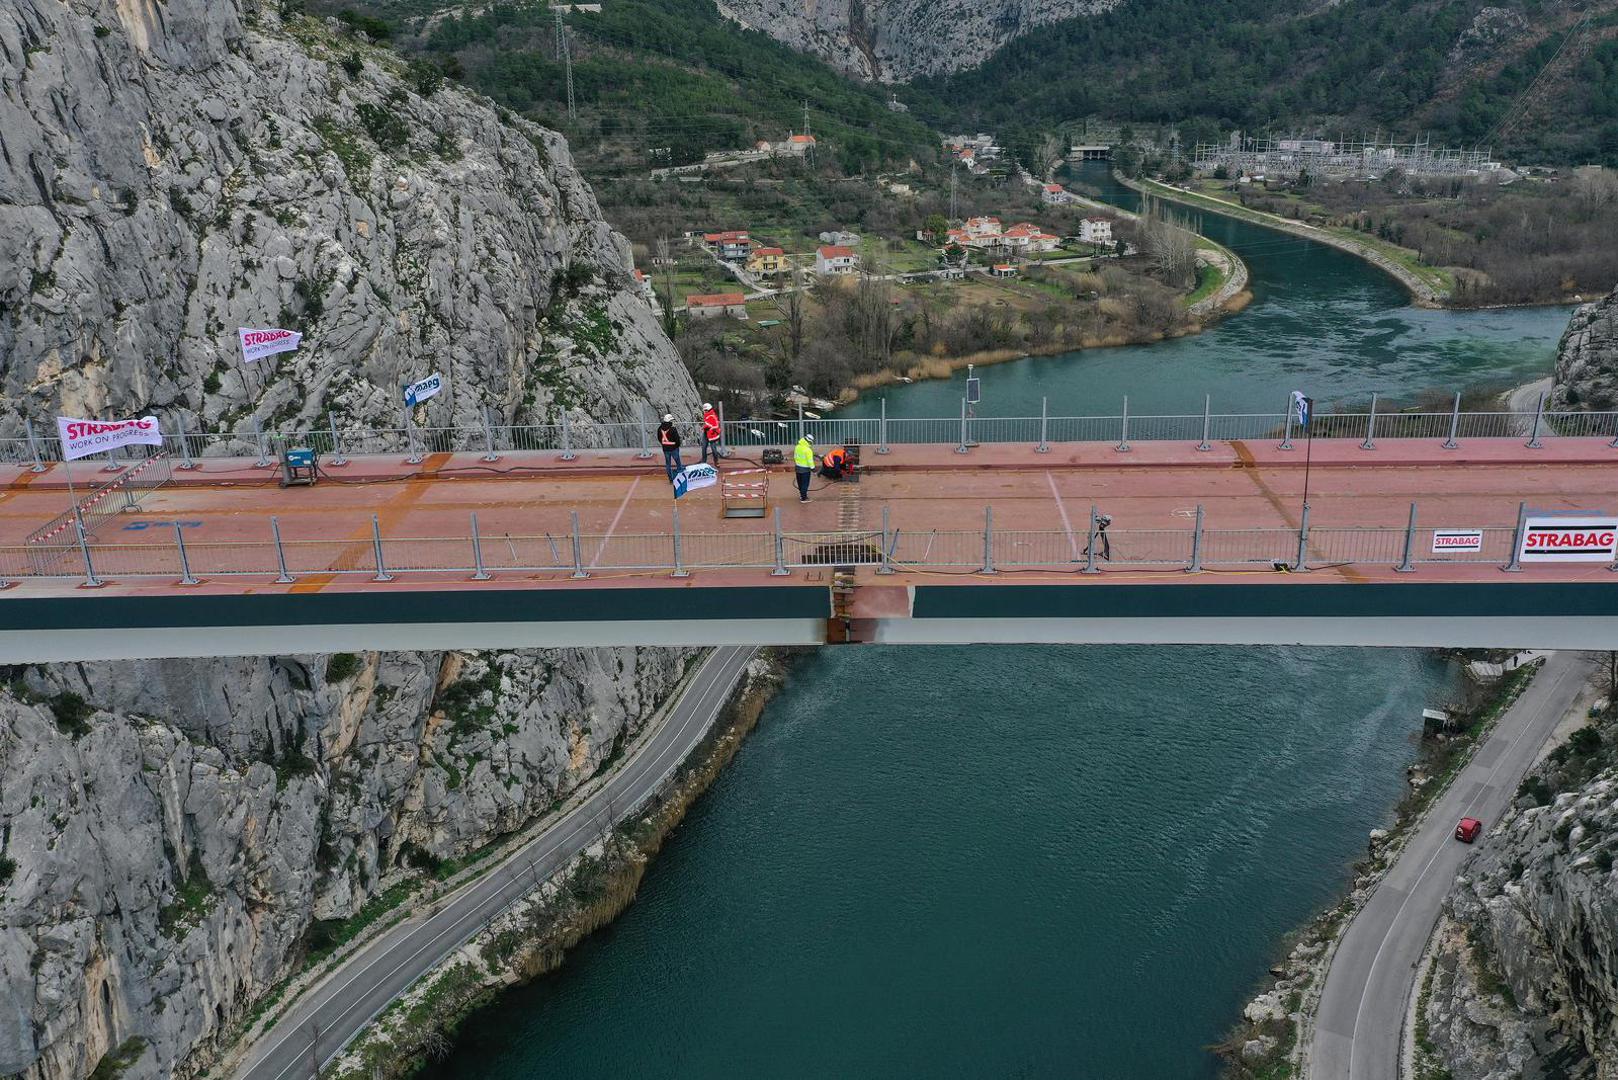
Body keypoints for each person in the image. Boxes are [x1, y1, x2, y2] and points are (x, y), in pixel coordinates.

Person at [657, 413, 682, 481]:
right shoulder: (673, 429)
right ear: (670, 421)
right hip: (674, 448)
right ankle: (680, 477)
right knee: (678, 462)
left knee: (668, 464)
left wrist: (664, 444)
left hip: (665, 449)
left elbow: (659, 438)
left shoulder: (660, 428)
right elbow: (677, 439)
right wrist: (677, 446)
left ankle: (670, 478)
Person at [793, 434, 815, 502]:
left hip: (798, 468)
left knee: (800, 483)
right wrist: (813, 468)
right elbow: (810, 461)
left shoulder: (797, 447)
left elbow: (795, 457)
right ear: (809, 441)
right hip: (805, 469)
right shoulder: (808, 450)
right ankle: (804, 498)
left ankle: (802, 495)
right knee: (805, 484)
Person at [700, 402, 722, 466]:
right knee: (704, 447)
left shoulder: (712, 416)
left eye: (706, 410)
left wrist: (706, 427)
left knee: (713, 448)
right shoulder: (707, 415)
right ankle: (703, 461)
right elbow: (707, 424)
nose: (704, 411)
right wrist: (704, 427)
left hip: (712, 434)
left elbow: (714, 425)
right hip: (706, 433)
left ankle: (716, 461)